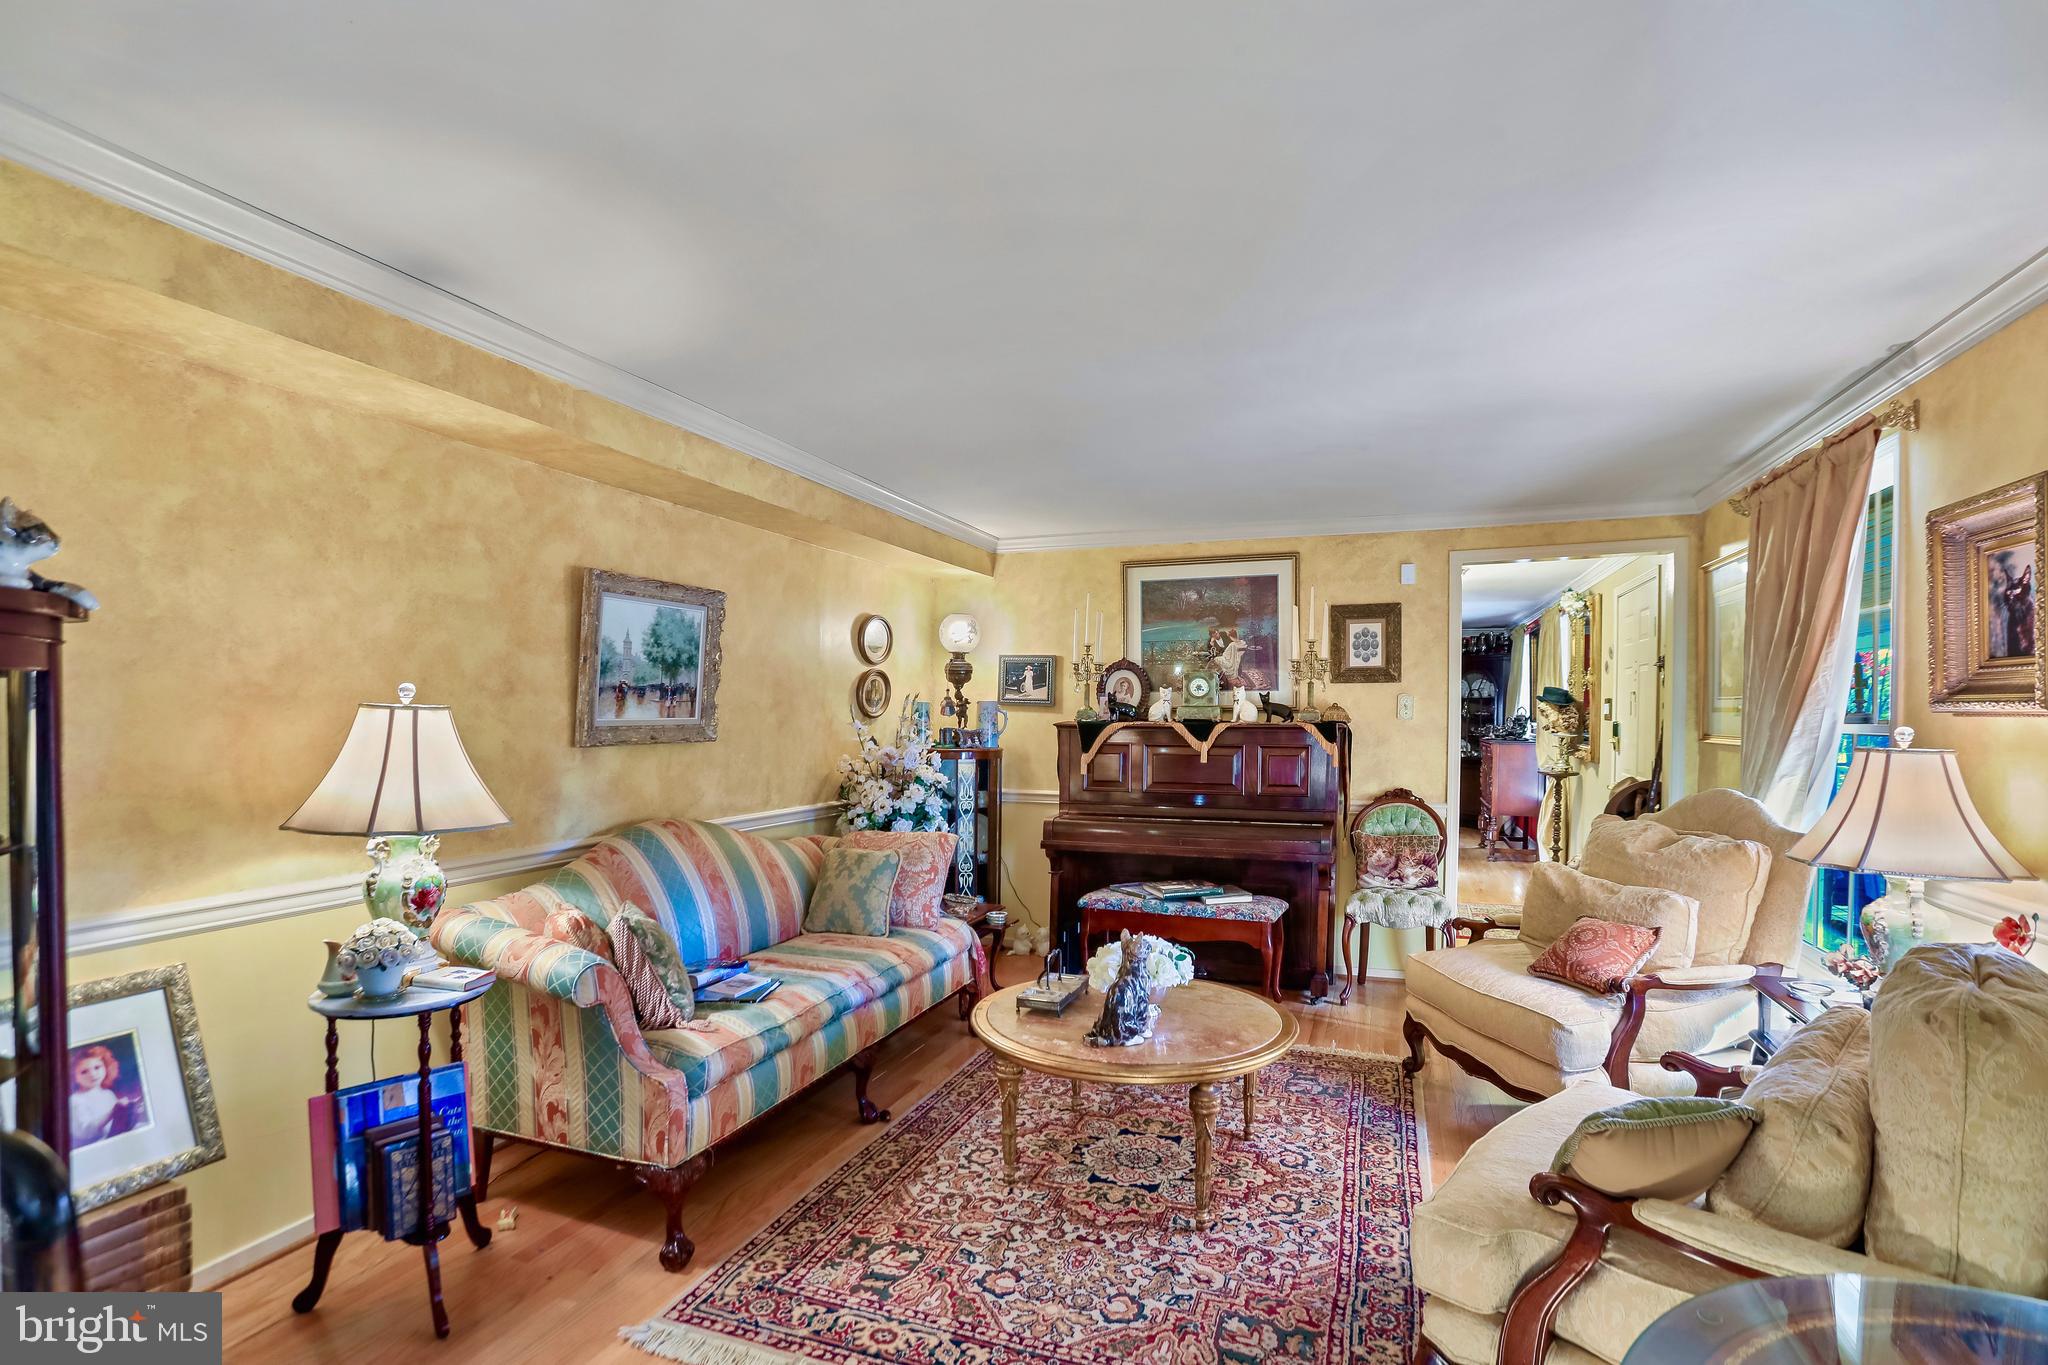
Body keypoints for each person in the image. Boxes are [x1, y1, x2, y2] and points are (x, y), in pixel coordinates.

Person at [70, 1043, 136, 1147]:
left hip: (118, 1138)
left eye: (97, 1067)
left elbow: (117, 1123)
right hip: (98, 1145)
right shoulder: (75, 1100)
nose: (92, 1074)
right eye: (84, 1072)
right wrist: (112, 1112)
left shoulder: (108, 1093)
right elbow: (84, 1132)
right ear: (74, 1077)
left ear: (106, 1067)